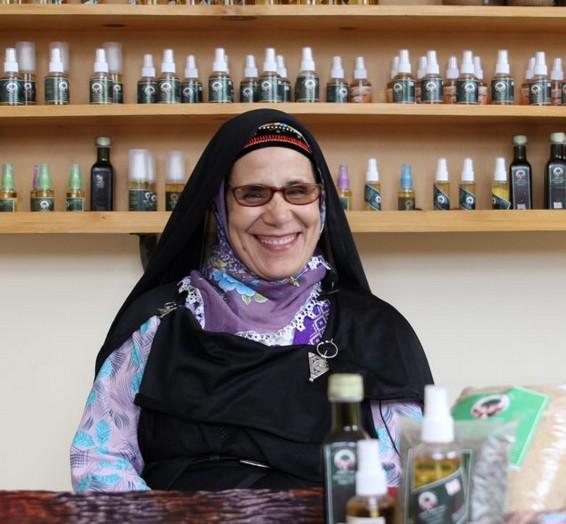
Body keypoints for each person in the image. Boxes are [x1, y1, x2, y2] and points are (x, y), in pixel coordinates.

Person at [70, 110, 432, 492]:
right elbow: (100, 460)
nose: (278, 214)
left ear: (321, 203)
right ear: (220, 207)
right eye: (253, 194)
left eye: (298, 191)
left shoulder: (376, 331)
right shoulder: (159, 323)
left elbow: (410, 476)